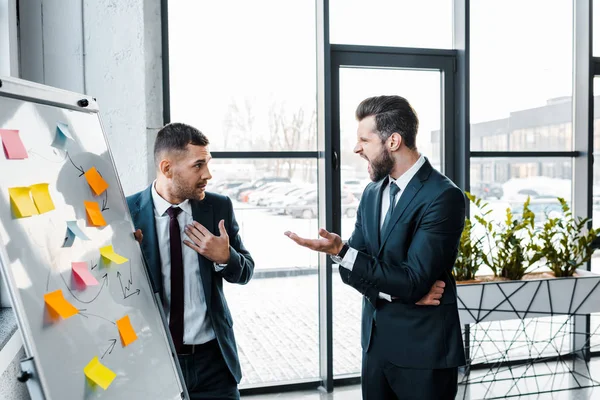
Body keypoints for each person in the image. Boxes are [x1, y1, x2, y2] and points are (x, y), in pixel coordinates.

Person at [285, 95, 466, 400]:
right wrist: (395, 291)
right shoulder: (371, 193)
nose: (357, 149)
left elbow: (412, 280)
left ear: (393, 141)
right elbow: (352, 273)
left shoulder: (443, 196)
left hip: (423, 356)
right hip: (375, 348)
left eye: (364, 140)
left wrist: (345, 254)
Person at [127, 122, 254, 399]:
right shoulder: (127, 213)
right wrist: (125, 262)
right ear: (167, 168)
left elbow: (245, 271)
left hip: (214, 364)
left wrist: (225, 257)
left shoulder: (218, 207)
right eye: (198, 165)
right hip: (155, 361)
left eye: (207, 164)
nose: (208, 174)